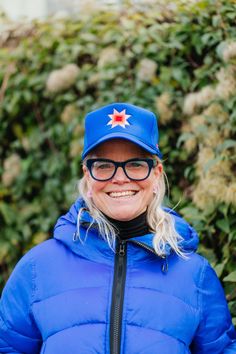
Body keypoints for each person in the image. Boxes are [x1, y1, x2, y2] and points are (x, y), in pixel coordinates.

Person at [0, 102, 236, 354]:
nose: (120, 177)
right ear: (87, 176)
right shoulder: (37, 269)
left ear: (156, 174)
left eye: (135, 164)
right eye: (103, 165)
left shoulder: (195, 274)